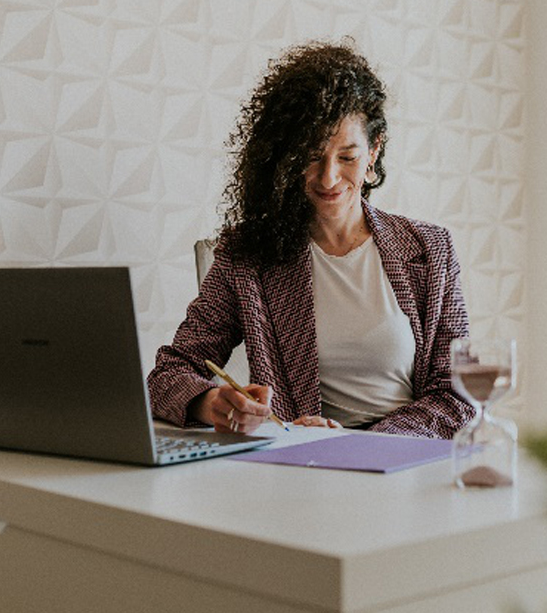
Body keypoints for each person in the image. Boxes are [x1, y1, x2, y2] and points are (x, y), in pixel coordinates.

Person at [147, 39, 473, 439]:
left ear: (374, 151)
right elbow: (170, 373)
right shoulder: (247, 255)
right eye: (310, 156)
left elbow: (457, 394)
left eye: (347, 157)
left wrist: (361, 442)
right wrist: (211, 403)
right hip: (299, 468)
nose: (328, 178)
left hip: (406, 462)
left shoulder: (429, 250)